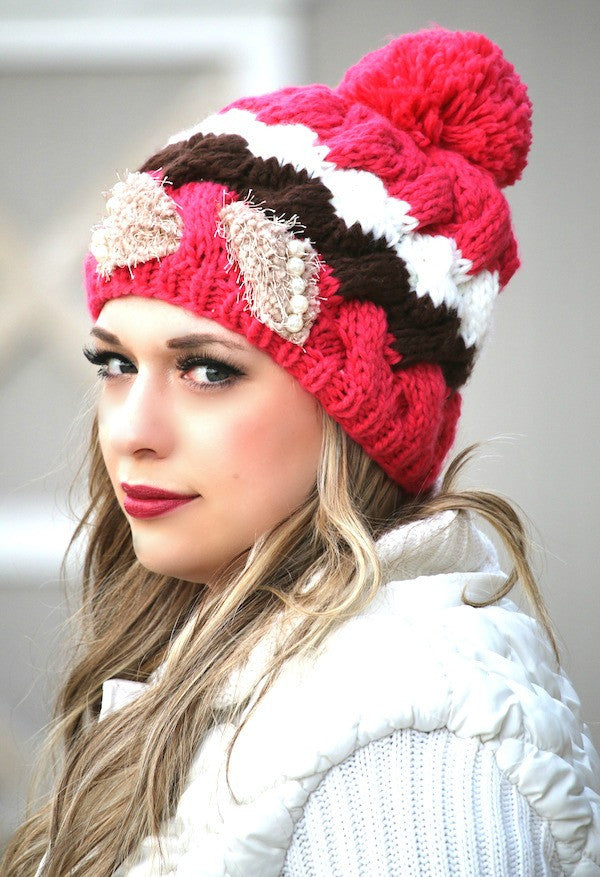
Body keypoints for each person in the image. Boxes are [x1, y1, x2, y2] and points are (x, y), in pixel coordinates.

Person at [3, 26, 599, 877]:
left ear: (358, 416)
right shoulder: (250, 674)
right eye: (115, 364)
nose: (132, 429)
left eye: (208, 369)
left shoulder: (407, 757)